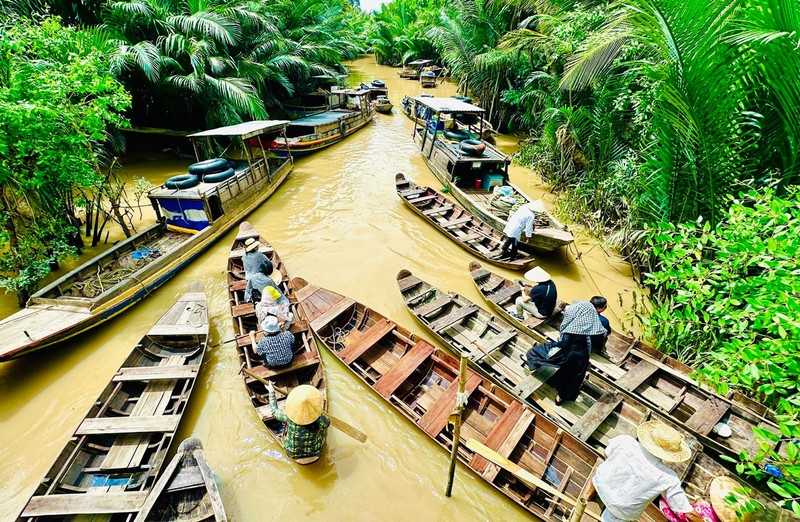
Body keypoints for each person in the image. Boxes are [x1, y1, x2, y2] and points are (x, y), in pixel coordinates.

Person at [592, 421, 703, 522]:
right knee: (618, 513)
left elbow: (607, 455)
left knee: (601, 470)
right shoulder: (669, 478)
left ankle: (586, 497)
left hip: (601, 483)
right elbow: (689, 513)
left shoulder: (625, 441)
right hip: (620, 509)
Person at [522, 300, 607, 404]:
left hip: (567, 356)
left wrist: (552, 344)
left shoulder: (573, 327)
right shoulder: (594, 327)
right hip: (582, 358)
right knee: (572, 379)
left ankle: (534, 364)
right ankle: (561, 397)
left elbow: (564, 344)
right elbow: (598, 344)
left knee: (537, 351)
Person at [266, 382, 330, 460]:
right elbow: (327, 424)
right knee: (322, 430)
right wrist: (318, 413)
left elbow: (274, 411)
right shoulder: (320, 419)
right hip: (315, 451)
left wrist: (271, 392)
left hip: (292, 452)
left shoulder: (287, 416)